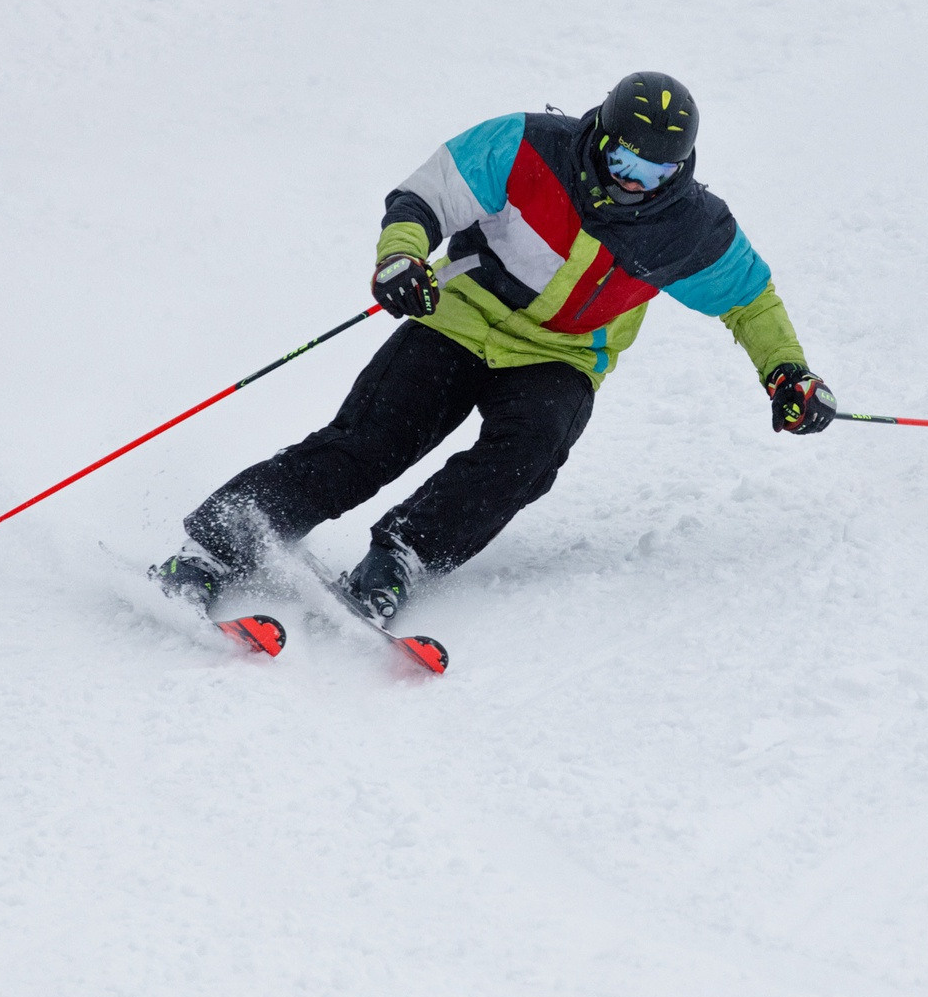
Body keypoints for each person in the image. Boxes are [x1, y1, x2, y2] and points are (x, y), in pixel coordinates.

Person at [152, 71, 837, 619]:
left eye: (656, 172)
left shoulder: (688, 225)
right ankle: (213, 546)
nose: (634, 180)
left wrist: (788, 374)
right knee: (371, 442)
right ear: (599, 136)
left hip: (561, 355)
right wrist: (401, 258)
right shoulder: (528, 144)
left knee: (528, 455)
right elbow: (427, 197)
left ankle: (402, 556)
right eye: (624, 159)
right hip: (461, 318)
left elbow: (750, 299)